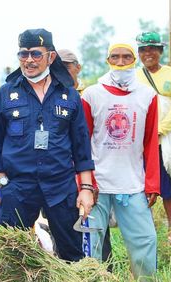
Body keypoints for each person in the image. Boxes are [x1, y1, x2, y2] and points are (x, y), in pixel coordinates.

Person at [0, 28, 95, 262]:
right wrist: (3, 181)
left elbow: (81, 146)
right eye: (23, 55)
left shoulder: (69, 95)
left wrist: (85, 188)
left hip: (60, 186)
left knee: (71, 253)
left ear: (51, 57)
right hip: (18, 186)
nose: (29, 60)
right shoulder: (6, 94)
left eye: (35, 54)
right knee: (12, 255)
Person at [81, 42, 160, 278]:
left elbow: (150, 143)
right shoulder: (92, 95)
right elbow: (82, 143)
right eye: (115, 57)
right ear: (107, 60)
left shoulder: (147, 96)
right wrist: (85, 184)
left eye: (127, 57)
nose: (121, 62)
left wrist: (152, 184)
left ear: (134, 60)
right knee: (91, 247)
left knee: (145, 241)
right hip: (98, 185)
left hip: (132, 183)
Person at [58, 48, 113, 262]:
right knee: (65, 230)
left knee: (97, 229)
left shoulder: (89, 97)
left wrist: (89, 182)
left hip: (90, 173)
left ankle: (102, 275)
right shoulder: (51, 99)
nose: (62, 72)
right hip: (63, 175)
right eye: (57, 68)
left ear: (77, 68)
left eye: (67, 67)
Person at [136, 31, 171, 243]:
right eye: (144, 50)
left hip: (164, 137)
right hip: (140, 139)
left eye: (153, 49)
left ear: (161, 51)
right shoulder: (134, 76)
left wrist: (160, 130)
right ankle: (145, 226)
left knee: (166, 183)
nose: (148, 53)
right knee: (141, 182)